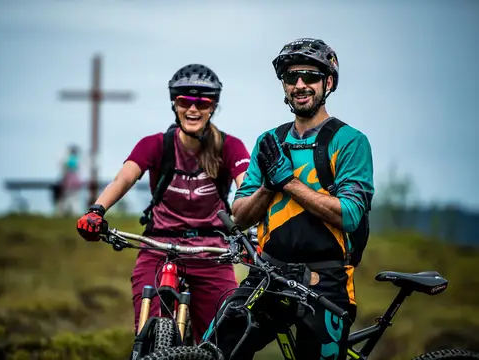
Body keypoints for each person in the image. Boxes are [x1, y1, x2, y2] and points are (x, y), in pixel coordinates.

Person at [204, 38, 375, 360]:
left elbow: (350, 214)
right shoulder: (269, 141)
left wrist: (289, 182)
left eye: (310, 76)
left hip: (325, 279)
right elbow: (239, 217)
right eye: (290, 77)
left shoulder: (351, 142)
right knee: (214, 350)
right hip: (268, 273)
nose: (299, 85)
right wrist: (269, 186)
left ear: (329, 82)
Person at [75, 64, 251, 343]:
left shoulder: (230, 147)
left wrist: (259, 230)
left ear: (213, 107)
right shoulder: (155, 144)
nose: (193, 109)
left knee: (225, 337)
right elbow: (124, 178)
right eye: (184, 101)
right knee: (148, 332)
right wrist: (96, 211)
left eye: (202, 102)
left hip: (211, 252)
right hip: (159, 248)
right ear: (174, 104)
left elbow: (248, 188)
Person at [56, 145, 83, 216]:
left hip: (69, 183)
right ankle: (73, 213)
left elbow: (63, 169)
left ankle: (66, 212)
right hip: (74, 183)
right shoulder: (77, 160)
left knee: (67, 199)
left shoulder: (68, 160)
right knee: (74, 200)